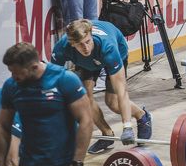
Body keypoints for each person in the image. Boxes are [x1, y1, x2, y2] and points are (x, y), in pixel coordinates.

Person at [51, 19, 151, 154]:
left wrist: (127, 126)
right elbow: (53, 82)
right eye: (80, 45)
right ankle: (107, 134)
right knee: (84, 99)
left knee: (113, 102)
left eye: (88, 41)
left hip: (112, 53)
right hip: (86, 62)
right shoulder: (61, 48)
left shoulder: (108, 47)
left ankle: (142, 116)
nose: (86, 48)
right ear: (72, 44)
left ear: (91, 35)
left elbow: (121, 90)